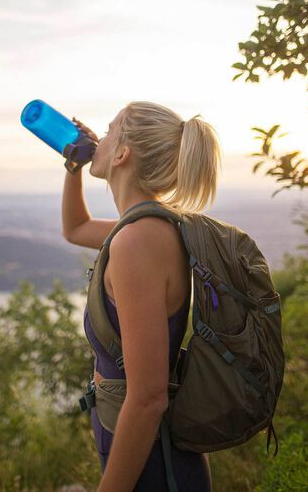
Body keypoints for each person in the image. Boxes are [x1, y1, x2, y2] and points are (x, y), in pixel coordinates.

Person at [62, 101, 222, 491]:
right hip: (144, 446)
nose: (96, 137)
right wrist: (73, 169)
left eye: (109, 128)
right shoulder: (144, 227)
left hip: (155, 460)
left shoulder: (138, 241)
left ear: (122, 153)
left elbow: (148, 397)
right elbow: (76, 228)